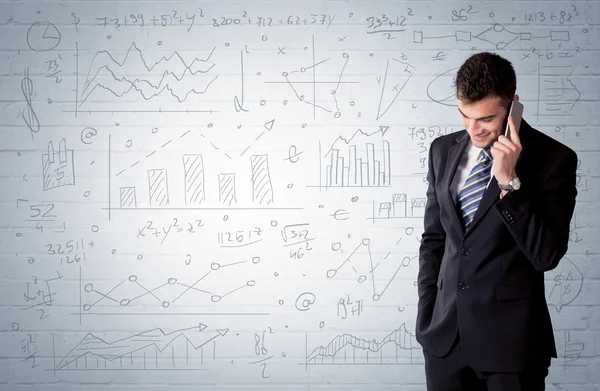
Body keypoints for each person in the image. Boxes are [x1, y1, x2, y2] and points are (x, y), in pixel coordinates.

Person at [415, 51, 578, 391]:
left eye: (485, 119)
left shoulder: (554, 159)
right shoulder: (442, 150)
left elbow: (546, 255)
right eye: (465, 115)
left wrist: (508, 183)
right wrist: (427, 314)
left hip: (511, 347)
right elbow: (434, 239)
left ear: (513, 105)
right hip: (445, 341)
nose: (472, 129)